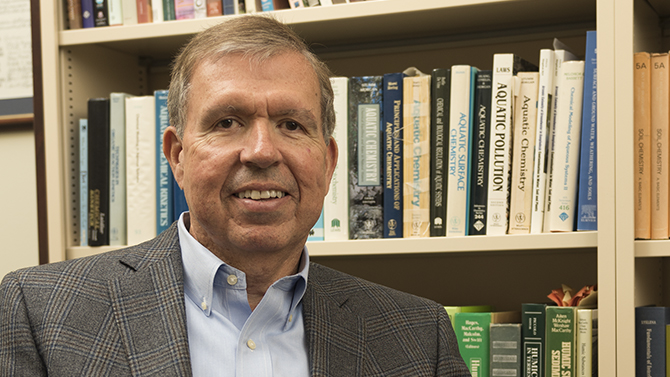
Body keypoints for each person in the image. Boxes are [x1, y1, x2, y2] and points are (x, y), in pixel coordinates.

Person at [0, 15, 471, 377]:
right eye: (227, 122)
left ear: (327, 162)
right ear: (178, 156)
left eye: (291, 124)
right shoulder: (40, 312)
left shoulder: (417, 336)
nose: (263, 151)